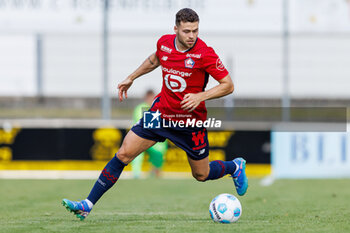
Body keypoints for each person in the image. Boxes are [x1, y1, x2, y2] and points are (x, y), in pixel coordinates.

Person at [62, 8, 248, 220]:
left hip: (189, 121)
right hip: (159, 113)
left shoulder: (205, 53)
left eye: (195, 31)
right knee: (123, 153)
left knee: (201, 174)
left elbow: (228, 85)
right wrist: (131, 77)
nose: (192, 36)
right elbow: (155, 59)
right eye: (187, 31)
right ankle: (87, 204)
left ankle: (235, 166)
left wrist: (200, 97)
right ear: (175, 29)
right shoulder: (164, 43)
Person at [131, 90, 168, 178]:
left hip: (155, 138)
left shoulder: (160, 107)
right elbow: (143, 123)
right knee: (136, 154)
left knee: (159, 151)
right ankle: (136, 174)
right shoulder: (140, 108)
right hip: (141, 137)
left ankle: (155, 172)